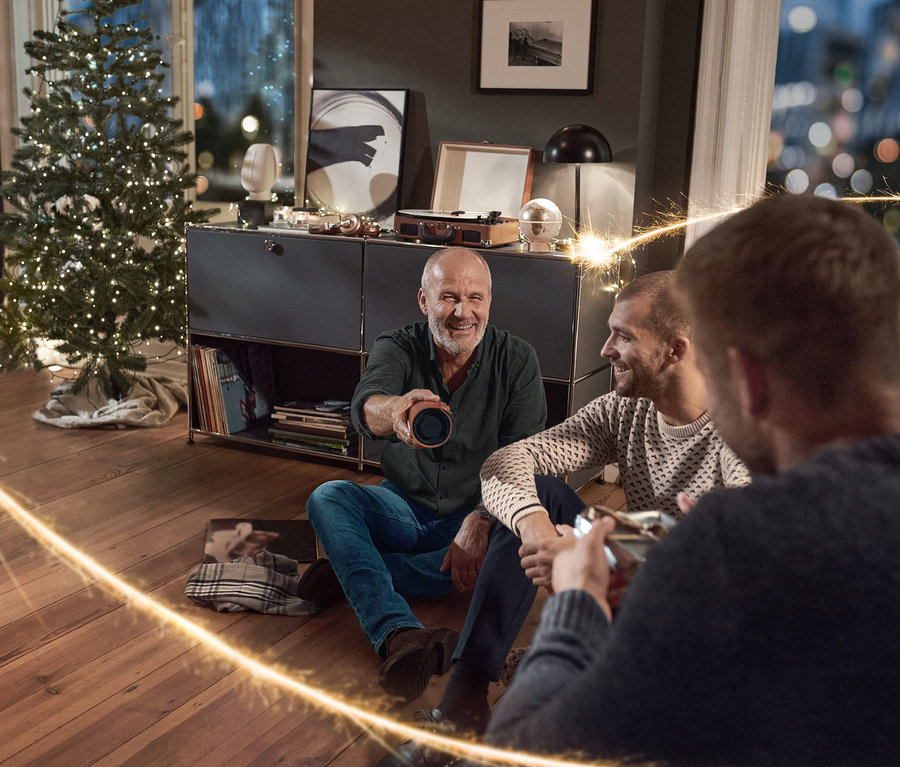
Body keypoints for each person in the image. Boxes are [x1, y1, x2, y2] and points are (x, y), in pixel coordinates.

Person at [479, 193, 900, 767]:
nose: (607, 352)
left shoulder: (734, 540)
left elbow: (519, 750)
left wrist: (577, 600)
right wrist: (648, 551)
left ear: (746, 379)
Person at [379, 270, 750, 767]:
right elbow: (506, 462)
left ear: (675, 351)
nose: (605, 350)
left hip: (699, 623)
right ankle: (462, 704)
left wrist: (603, 548)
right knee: (541, 493)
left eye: (623, 336)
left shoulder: (742, 429)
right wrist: (540, 535)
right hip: (623, 578)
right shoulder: (622, 410)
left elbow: (741, 550)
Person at [301, 246, 547, 702]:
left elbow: (525, 456)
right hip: (404, 507)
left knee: (513, 549)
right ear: (423, 300)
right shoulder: (397, 346)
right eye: (448, 297)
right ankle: (399, 633)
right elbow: (365, 405)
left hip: (476, 515)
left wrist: (481, 518)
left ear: (489, 302)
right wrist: (395, 411)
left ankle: (353, 572)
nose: (462, 312)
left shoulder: (518, 360)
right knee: (328, 496)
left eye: (475, 298)